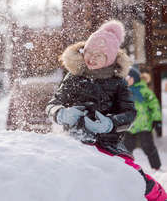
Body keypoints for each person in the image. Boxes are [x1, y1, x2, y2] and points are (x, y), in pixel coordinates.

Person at [46, 20, 167, 201]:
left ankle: (158, 196)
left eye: (99, 55)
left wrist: (110, 124)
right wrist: (61, 113)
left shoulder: (118, 83)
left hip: (108, 145)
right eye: (89, 52)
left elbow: (130, 113)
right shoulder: (73, 78)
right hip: (76, 140)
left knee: (132, 176)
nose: (92, 59)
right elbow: (53, 103)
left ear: (109, 59)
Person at [124, 66, 162, 170]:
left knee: (148, 147)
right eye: (125, 78)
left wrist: (157, 120)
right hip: (129, 126)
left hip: (144, 125)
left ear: (135, 78)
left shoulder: (144, 91)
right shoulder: (124, 92)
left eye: (128, 77)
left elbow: (154, 105)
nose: (126, 80)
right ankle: (127, 168)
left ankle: (156, 167)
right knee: (126, 148)